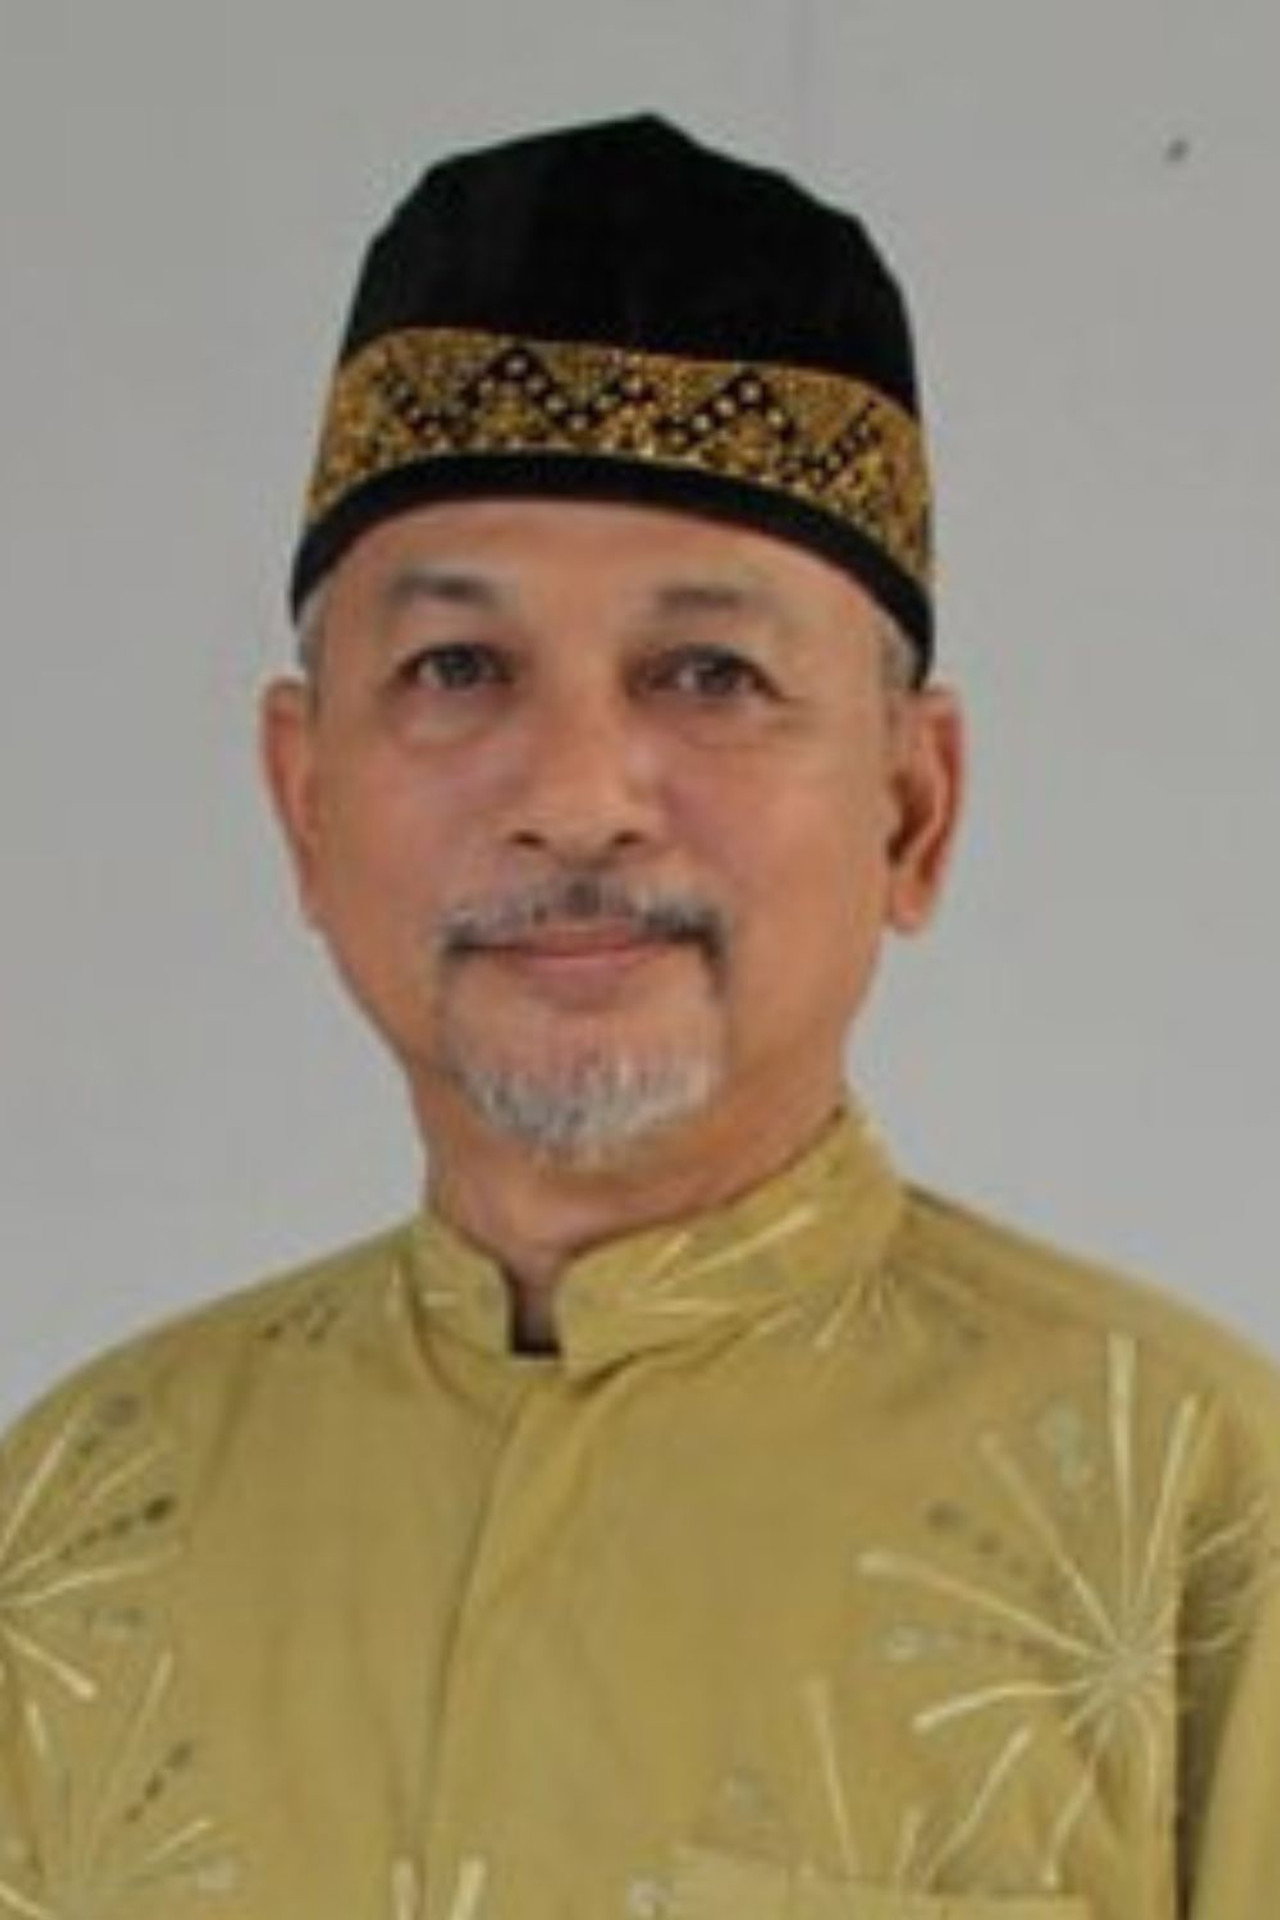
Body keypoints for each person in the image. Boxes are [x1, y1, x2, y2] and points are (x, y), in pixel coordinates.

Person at [0, 115, 1276, 1920]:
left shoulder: (1198, 1524)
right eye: (459, 668)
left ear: (913, 808)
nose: (578, 796)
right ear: (305, 801)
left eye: (708, 674)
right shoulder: (73, 1526)